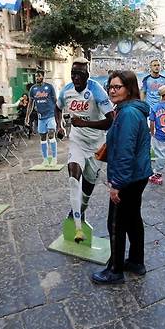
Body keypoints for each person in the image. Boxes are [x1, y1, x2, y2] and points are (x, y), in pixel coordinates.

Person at [91, 70, 152, 284]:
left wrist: (116, 184)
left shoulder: (127, 113)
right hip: (138, 174)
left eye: (118, 87)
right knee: (133, 218)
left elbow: (126, 152)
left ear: (129, 89)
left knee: (115, 223)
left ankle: (115, 270)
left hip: (128, 177)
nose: (112, 90)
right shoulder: (129, 109)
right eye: (110, 86)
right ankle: (136, 261)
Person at [55, 57, 114, 243]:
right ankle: (78, 228)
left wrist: (85, 122)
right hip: (77, 141)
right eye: (73, 74)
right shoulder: (66, 90)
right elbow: (57, 108)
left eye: (80, 74)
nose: (76, 77)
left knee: (88, 187)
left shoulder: (97, 90)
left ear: (87, 74)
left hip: (97, 145)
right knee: (73, 177)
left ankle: (78, 211)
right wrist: (60, 126)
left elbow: (110, 120)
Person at [27, 71, 58, 166]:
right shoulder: (33, 89)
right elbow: (30, 104)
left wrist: (59, 117)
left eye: (39, 76)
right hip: (41, 117)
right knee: (43, 138)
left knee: (51, 135)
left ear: (43, 77)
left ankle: (54, 158)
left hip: (51, 115)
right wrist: (27, 116)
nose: (37, 78)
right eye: (36, 76)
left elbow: (56, 101)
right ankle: (45, 159)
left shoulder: (49, 87)